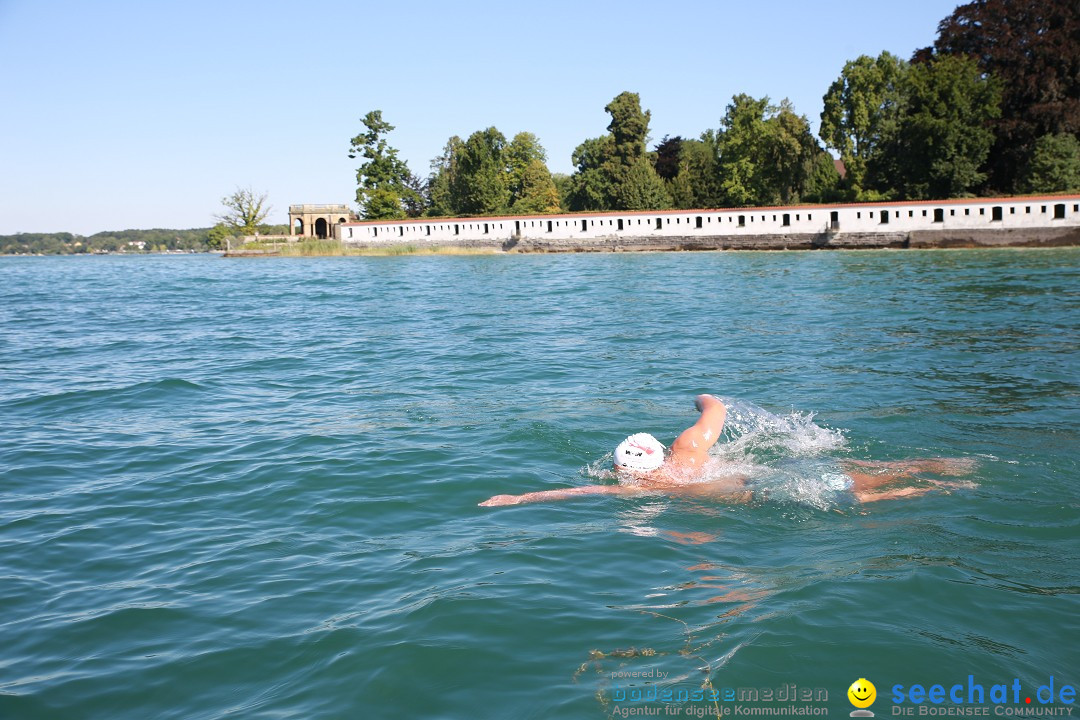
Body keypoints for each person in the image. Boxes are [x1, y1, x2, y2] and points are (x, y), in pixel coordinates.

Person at [478, 395, 975, 507]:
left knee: (866, 497)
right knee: (866, 471)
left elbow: (577, 490)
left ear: (625, 470)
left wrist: (516, 499)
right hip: (792, 465)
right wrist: (697, 396)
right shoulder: (688, 449)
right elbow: (714, 404)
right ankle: (944, 466)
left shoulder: (663, 491)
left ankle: (944, 483)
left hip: (785, 485)